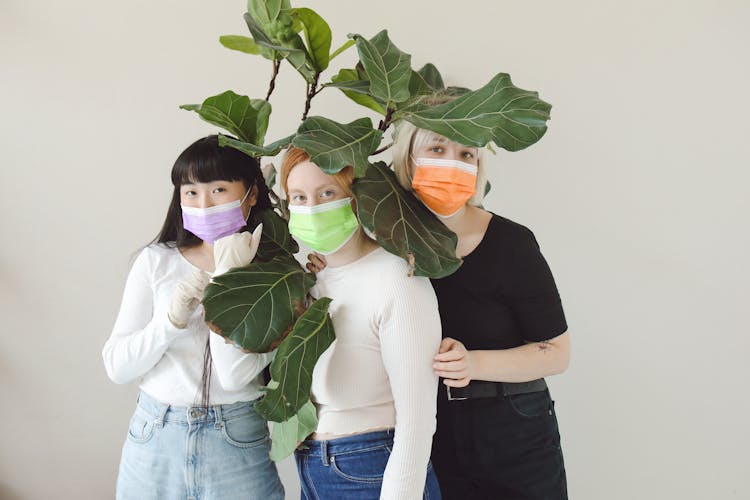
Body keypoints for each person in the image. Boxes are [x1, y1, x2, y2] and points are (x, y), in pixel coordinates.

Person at [390, 115, 571, 499]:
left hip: (513, 432)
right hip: (426, 434)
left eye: (465, 153)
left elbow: (556, 354)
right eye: (437, 149)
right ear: (409, 159)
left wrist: (473, 364)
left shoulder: (511, 243)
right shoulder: (385, 246)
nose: (452, 162)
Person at [102, 135, 284, 500]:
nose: (203, 203)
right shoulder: (156, 261)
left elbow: (234, 376)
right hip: (156, 434)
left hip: (236, 436)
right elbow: (118, 367)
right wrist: (170, 320)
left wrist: (227, 278)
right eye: (191, 192)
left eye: (218, 189)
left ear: (251, 193)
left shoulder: (276, 273)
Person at [280, 146, 443, 499]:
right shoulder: (311, 282)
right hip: (313, 467)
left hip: (373, 465)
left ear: (354, 197)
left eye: (327, 193)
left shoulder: (398, 276)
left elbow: (417, 418)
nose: (312, 207)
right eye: (299, 197)